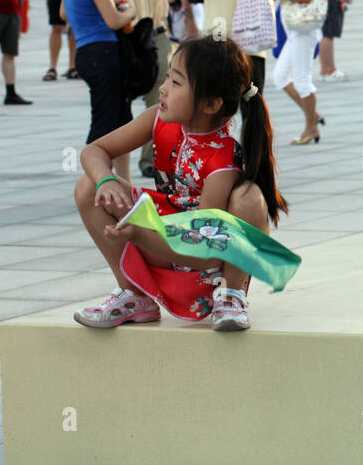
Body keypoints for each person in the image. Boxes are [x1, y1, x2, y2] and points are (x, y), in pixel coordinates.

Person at [72, 35, 287, 332]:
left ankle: (231, 295)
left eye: (175, 82)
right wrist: (106, 180)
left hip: (206, 266)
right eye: (168, 77)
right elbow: (94, 151)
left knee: (249, 198)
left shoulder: (222, 160)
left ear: (210, 103)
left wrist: (137, 234)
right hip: (166, 235)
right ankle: (135, 295)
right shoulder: (159, 120)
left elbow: (204, 251)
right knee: (87, 185)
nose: (162, 88)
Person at [61, 0, 136, 182]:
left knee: (118, 118)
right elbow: (114, 20)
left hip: (84, 52)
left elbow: (63, 12)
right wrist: (132, 10)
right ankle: (93, 180)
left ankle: (123, 181)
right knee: (105, 121)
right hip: (102, 53)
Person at [110, 0, 179, 178]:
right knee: (120, 99)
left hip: (157, 34)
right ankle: (117, 158)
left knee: (161, 95)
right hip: (126, 35)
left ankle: (149, 159)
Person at [274, 0, 324, 145]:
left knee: (302, 81)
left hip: (303, 31)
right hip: (295, 32)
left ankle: (310, 127)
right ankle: (311, 115)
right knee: (280, 77)